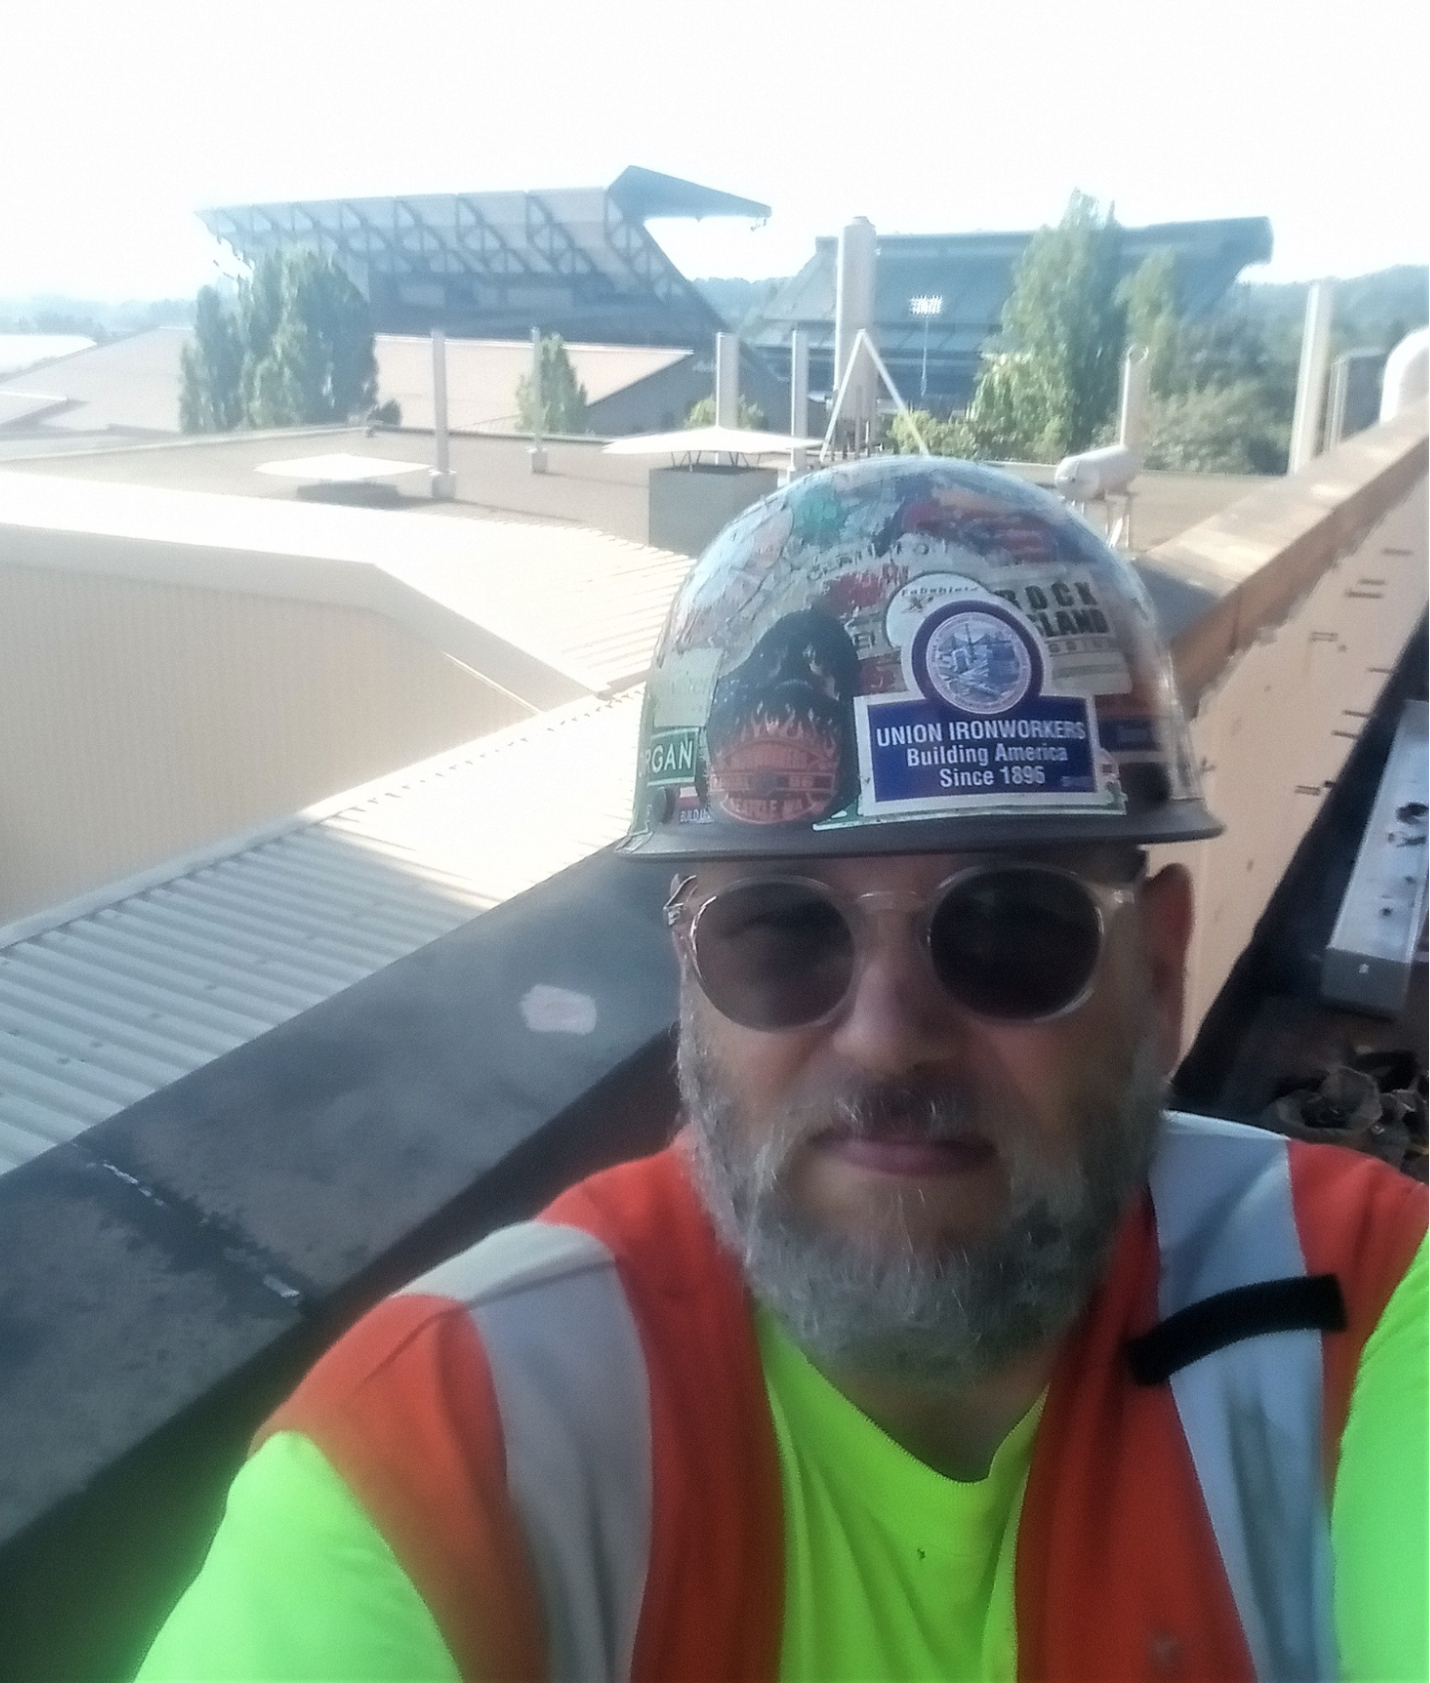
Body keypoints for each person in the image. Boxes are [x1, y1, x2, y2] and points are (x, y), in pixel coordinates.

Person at [139, 457, 1427, 1683]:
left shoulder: (1362, 1309)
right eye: (781, 934)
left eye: (1008, 931)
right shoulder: (449, 1449)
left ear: (1156, 973)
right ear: (690, 988)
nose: (884, 1035)